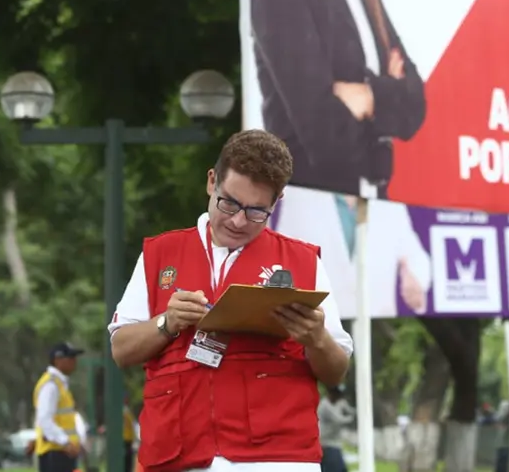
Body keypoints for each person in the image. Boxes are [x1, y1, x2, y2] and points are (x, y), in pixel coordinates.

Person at [108, 129, 354, 471]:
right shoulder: (159, 254)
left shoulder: (303, 261)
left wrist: (317, 339)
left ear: (277, 201)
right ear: (212, 181)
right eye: (230, 203)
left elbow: (336, 370)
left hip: (276, 460)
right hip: (177, 455)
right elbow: (120, 349)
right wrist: (167, 322)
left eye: (256, 211)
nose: (238, 221)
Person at [250, 0, 427, 198]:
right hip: (309, 203)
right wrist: (385, 93)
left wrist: (365, 98)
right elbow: (321, 128)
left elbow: (414, 103)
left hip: (376, 203)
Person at [33, 342, 85, 472]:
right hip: (55, 453)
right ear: (57, 360)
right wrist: (65, 442)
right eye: (71, 357)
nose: (75, 361)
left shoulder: (59, 384)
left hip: (62, 452)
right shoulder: (51, 385)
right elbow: (45, 419)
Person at [317, 385, 354, 472]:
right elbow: (339, 420)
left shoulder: (339, 402)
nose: (339, 397)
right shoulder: (325, 405)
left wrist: (355, 412)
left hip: (334, 444)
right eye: (337, 394)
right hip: (327, 444)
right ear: (331, 393)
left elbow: (350, 410)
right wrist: (352, 418)